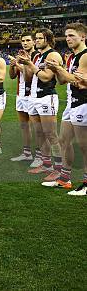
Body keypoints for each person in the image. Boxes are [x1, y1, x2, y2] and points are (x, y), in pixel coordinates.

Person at [42, 22, 87, 195]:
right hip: (71, 102)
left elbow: (80, 82)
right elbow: (63, 81)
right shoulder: (72, 57)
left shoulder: (85, 55)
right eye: (66, 36)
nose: (67, 39)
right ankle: (64, 179)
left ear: (82, 37)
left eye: (72, 36)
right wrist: (57, 69)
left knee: (84, 146)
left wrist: (60, 70)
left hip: (83, 103)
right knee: (63, 140)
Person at [17, 28, 63, 181]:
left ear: (47, 40)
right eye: (35, 38)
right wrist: (25, 63)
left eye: (39, 38)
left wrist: (30, 63)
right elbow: (29, 77)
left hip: (46, 97)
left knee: (50, 134)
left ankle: (59, 168)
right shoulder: (37, 55)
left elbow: (46, 77)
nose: (36, 40)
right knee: (39, 133)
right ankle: (46, 164)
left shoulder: (53, 55)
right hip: (33, 98)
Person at [9, 33, 39, 163]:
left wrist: (20, 64)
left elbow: (32, 75)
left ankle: (40, 156)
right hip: (20, 95)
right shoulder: (20, 56)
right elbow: (12, 76)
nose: (25, 43)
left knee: (37, 128)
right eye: (23, 41)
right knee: (24, 126)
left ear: (33, 42)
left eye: (28, 40)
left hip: (32, 95)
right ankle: (27, 154)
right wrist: (12, 65)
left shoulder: (37, 56)